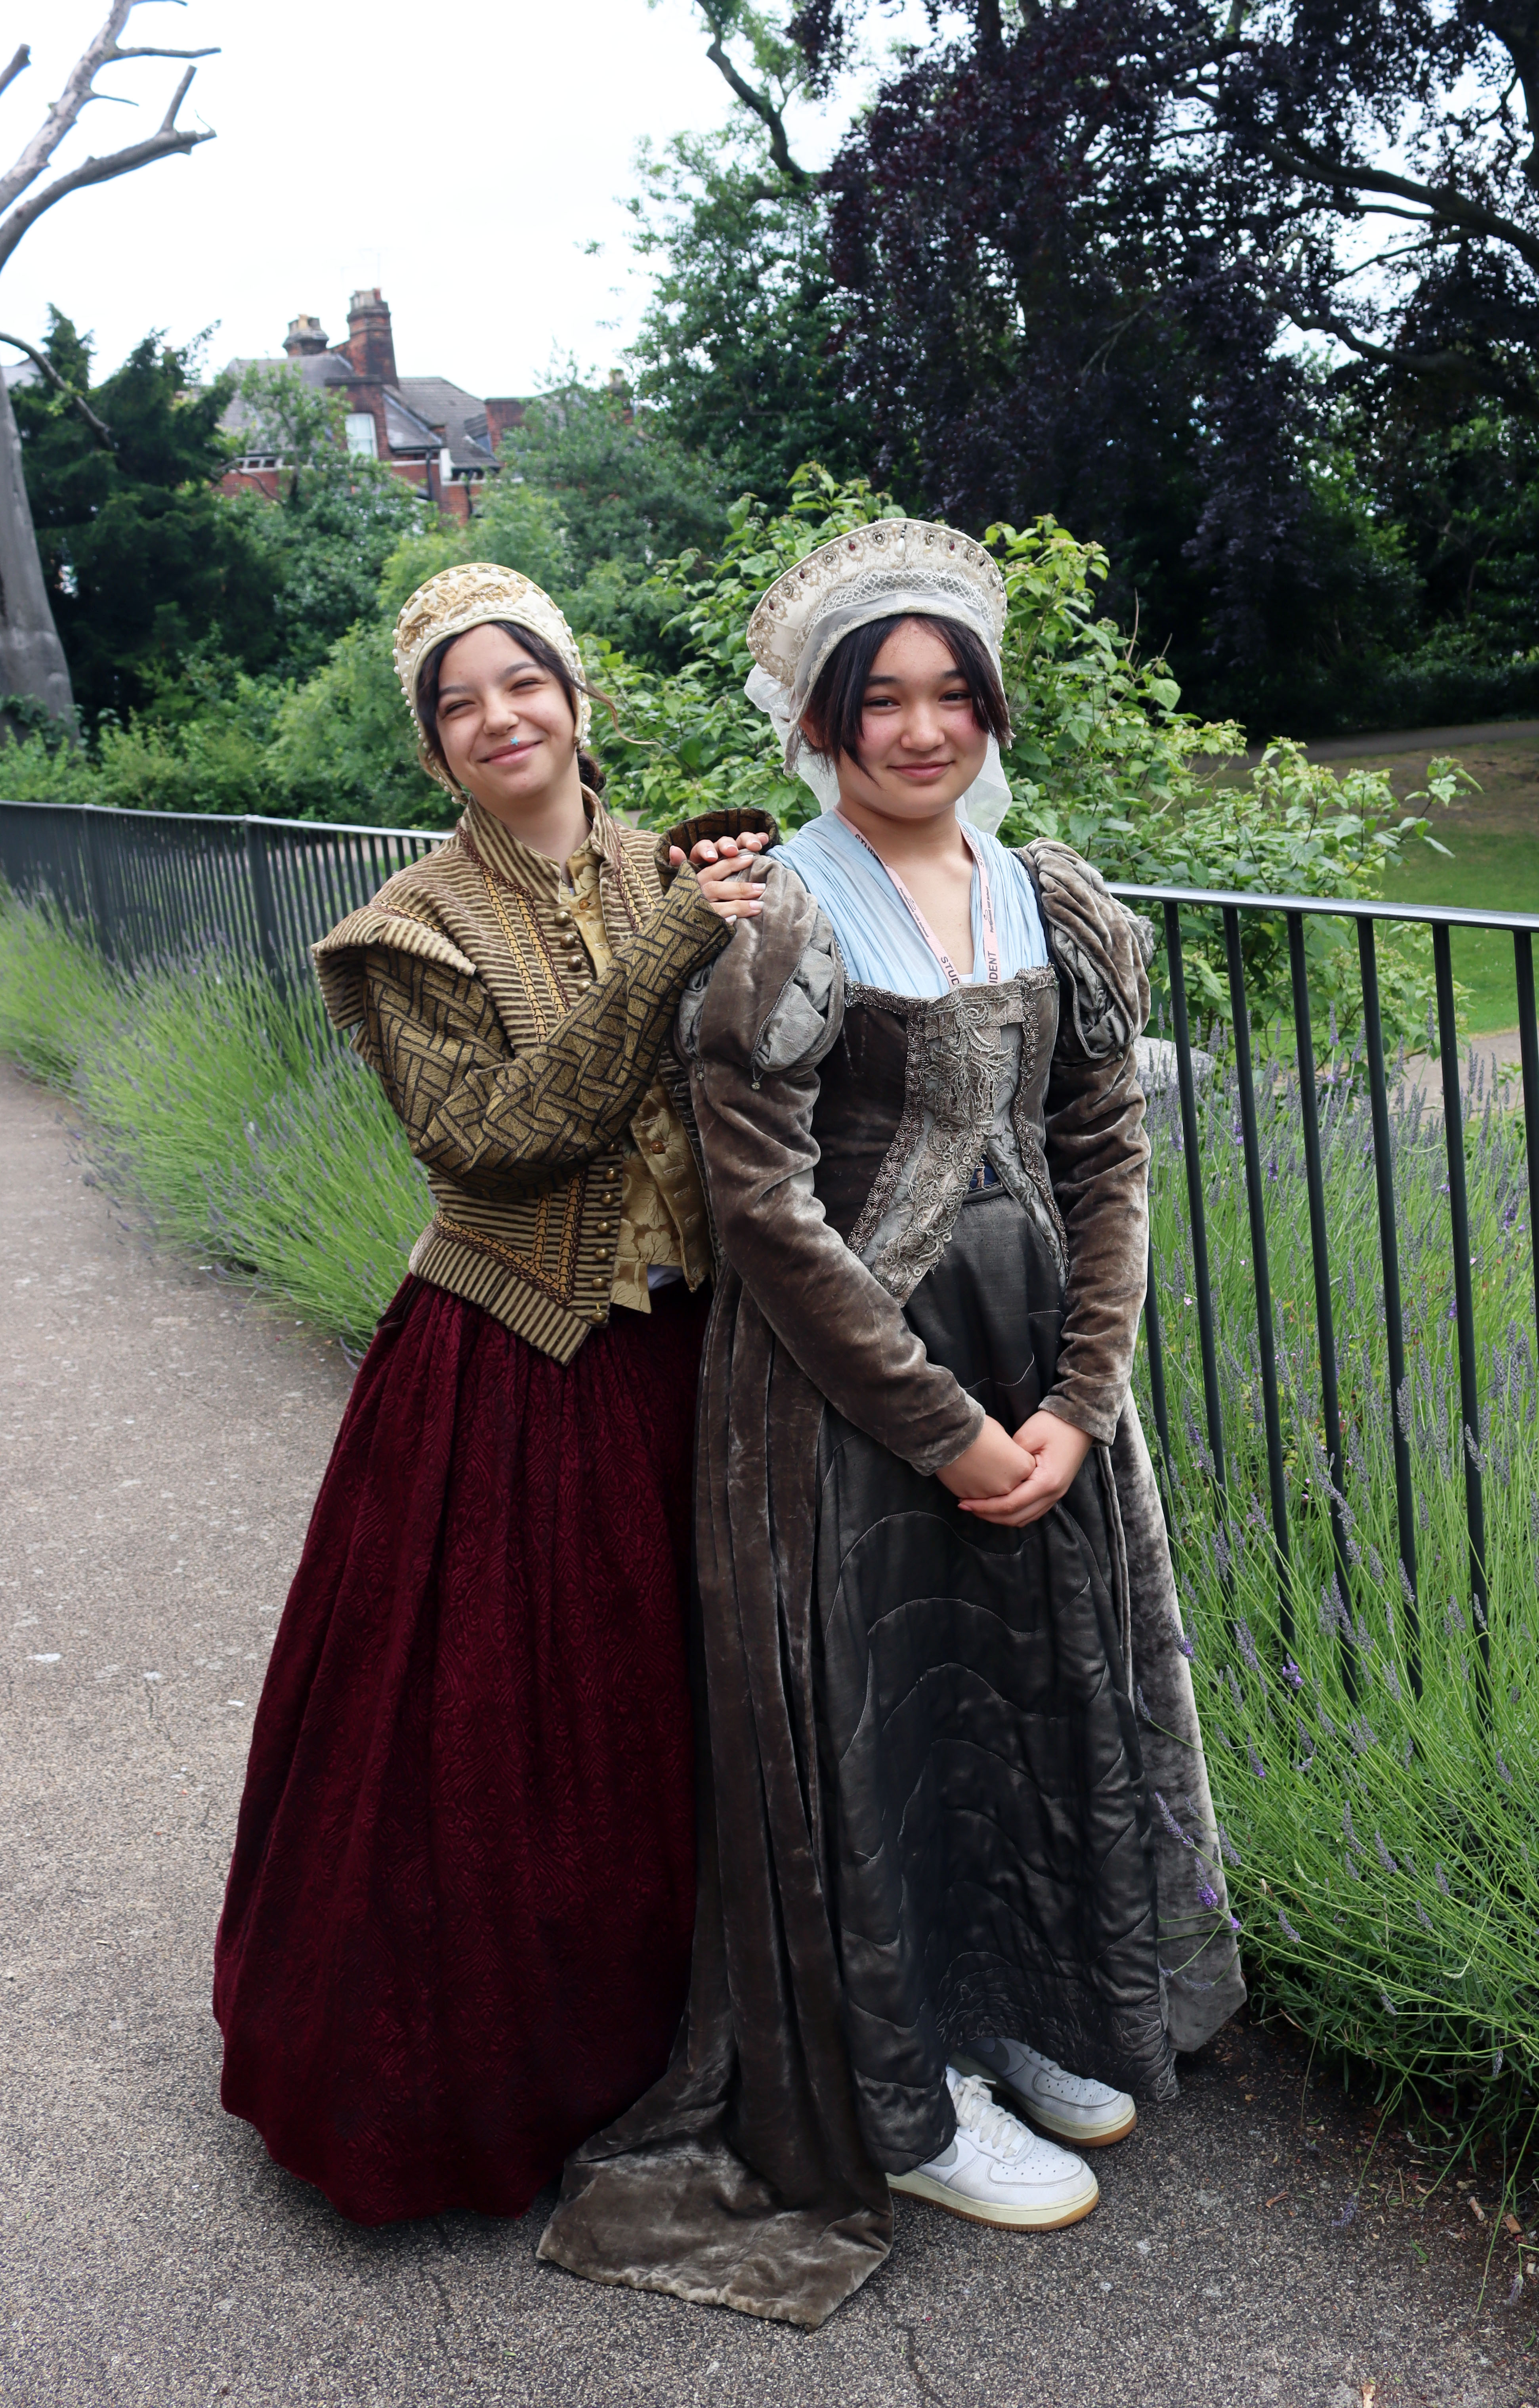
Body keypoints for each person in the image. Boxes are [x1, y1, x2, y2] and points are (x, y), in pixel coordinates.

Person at [539, 518, 1245, 2327]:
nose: (921, 731)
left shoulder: (1055, 895)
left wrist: (1078, 1403)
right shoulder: (775, 919)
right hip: (836, 1403)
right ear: (822, 725)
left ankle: (1024, 2001)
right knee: (880, 1726)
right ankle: (910, 2087)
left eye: (950, 696)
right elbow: (765, 1210)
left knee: (1023, 1687)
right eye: (881, 701)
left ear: (986, 712)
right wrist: (945, 1429)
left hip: (1039, 1380)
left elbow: (1104, 1148)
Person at [212, 562, 768, 2226]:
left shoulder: (673, 863)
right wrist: (678, 939)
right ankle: (489, 2093)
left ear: (576, 696)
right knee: (499, 1746)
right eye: (460, 704)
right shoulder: (405, 934)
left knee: (698, 1723)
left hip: (699, 1359)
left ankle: (715, 2042)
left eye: (522, 681)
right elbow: (496, 1136)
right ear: (435, 752)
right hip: (514, 1370)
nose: (499, 716)